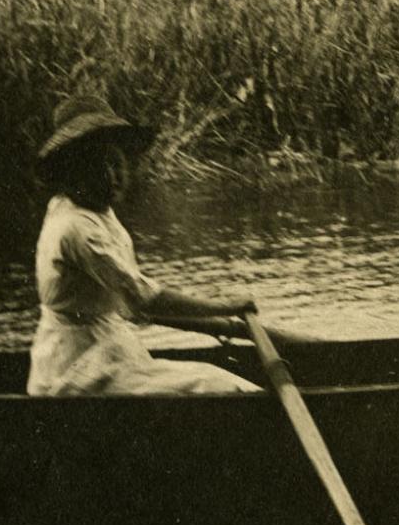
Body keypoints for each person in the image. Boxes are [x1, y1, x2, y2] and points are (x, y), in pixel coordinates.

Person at [27, 95, 262, 396]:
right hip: (76, 370)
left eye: (116, 163)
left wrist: (220, 323)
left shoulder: (90, 209)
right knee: (219, 385)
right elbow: (142, 297)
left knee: (214, 379)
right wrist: (226, 307)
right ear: (74, 171)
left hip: (102, 349)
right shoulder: (76, 228)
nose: (113, 177)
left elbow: (124, 299)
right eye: (97, 166)